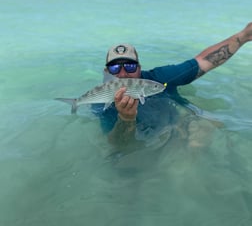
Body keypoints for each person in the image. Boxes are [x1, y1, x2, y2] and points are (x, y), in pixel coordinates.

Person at [93, 22, 252, 150]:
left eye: (130, 67)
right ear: (106, 72)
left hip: (177, 126)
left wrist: (243, 36)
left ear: (139, 68)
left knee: (208, 126)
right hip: (147, 143)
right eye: (115, 68)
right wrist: (126, 119)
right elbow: (118, 145)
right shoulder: (101, 99)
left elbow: (203, 62)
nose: (123, 74)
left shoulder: (159, 78)